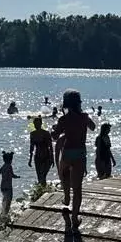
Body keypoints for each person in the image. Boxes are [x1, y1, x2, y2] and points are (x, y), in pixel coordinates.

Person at [53, 89, 95, 229]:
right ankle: (75, 218)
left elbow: (55, 136)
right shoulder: (83, 117)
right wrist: (86, 119)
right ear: (78, 103)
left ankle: (66, 197)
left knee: (63, 173)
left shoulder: (63, 119)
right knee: (77, 189)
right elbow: (93, 127)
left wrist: (54, 130)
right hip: (80, 153)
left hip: (67, 152)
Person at [28, 117, 54, 185]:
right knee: (39, 176)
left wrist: (52, 158)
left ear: (41, 124)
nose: (36, 125)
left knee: (43, 175)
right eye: (35, 124)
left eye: (38, 124)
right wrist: (30, 159)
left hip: (46, 156)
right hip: (38, 156)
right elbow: (31, 147)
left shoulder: (46, 133)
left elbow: (50, 146)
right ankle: (41, 191)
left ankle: (43, 190)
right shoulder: (32, 134)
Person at [0, 150, 19, 216]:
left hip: (2, 186)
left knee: (4, 198)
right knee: (9, 200)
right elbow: (12, 175)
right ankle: (6, 214)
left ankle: (2, 211)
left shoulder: (3, 167)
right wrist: (16, 176)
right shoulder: (9, 166)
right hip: (8, 187)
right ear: (11, 160)